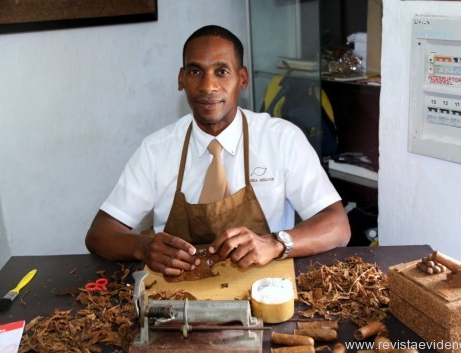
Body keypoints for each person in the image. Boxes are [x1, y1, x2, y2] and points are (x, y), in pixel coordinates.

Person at [85, 25, 350, 277]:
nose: (208, 86)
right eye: (195, 72)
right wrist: (142, 247)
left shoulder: (281, 139)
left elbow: (338, 226)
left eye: (222, 72)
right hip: (176, 300)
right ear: (181, 79)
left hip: (265, 293)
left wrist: (277, 243)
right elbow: (99, 234)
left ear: (242, 78)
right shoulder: (157, 150)